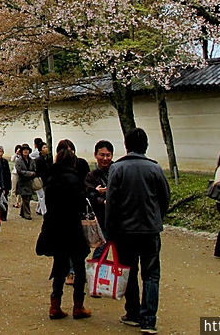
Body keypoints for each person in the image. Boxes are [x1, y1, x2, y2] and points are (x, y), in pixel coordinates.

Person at [105, 128, 170, 335]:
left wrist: (110, 229)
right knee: (151, 275)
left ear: (126, 145)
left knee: (129, 272)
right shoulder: (155, 168)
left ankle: (133, 313)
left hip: (124, 231)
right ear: (146, 146)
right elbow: (165, 197)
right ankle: (149, 319)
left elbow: (111, 202)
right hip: (150, 229)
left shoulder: (117, 168)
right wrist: (157, 216)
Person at [40, 139, 91, 320]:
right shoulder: (75, 180)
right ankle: (78, 305)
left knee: (59, 267)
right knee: (79, 267)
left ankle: (55, 304)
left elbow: (48, 203)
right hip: (73, 228)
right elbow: (81, 204)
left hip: (56, 227)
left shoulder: (51, 179)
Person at [85, 139, 114, 259]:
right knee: (101, 249)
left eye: (108, 155)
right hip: (102, 219)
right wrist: (101, 199)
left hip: (119, 218)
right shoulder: (91, 175)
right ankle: (96, 269)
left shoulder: (118, 172)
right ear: (95, 155)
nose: (105, 158)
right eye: (102, 155)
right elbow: (88, 196)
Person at [15, 144, 36, 220]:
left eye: (27, 150)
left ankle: (22, 212)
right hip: (22, 182)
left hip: (29, 182)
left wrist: (33, 174)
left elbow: (35, 170)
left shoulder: (32, 160)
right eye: (24, 150)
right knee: (25, 198)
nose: (25, 151)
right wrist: (29, 173)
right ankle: (27, 214)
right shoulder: (18, 161)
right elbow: (19, 171)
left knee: (27, 198)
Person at [35, 143, 52, 215]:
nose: (46, 149)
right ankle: (44, 212)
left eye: (46, 147)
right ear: (40, 150)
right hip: (40, 180)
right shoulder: (38, 160)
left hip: (47, 180)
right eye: (44, 147)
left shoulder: (49, 159)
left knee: (43, 196)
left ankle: (38, 209)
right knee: (42, 196)